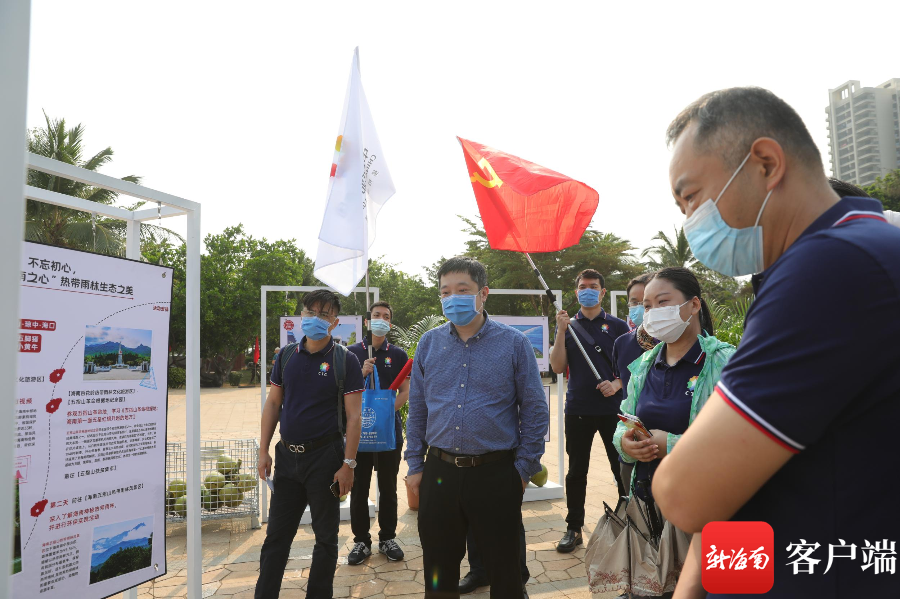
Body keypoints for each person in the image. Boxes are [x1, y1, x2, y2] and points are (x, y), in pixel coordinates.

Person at [653, 87, 900, 598]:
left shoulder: (829, 267)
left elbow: (685, 495)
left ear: (765, 163)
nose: (691, 222)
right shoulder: (867, 246)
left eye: (691, 197)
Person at [405, 256, 548, 599]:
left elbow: (534, 408)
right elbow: (418, 409)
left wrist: (523, 470)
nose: (452, 298)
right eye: (445, 292)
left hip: (496, 473)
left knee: (505, 573)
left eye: (462, 290)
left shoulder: (513, 343)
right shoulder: (429, 343)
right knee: (438, 571)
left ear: (483, 293)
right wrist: (415, 465)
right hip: (439, 472)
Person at [255, 290, 364, 599]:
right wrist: (263, 451)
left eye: (324, 313)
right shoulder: (286, 355)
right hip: (287, 458)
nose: (316, 318)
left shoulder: (345, 360)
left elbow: (354, 416)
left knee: (326, 539)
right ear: (301, 314)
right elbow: (273, 404)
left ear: (335, 322)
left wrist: (348, 464)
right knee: (276, 538)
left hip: (326, 459)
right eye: (310, 311)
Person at [612, 267, 735, 508]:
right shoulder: (644, 365)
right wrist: (626, 444)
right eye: (647, 306)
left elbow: (741, 443)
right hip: (647, 506)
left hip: (703, 507)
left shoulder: (725, 363)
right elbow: (624, 422)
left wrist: (671, 445)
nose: (653, 313)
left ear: (694, 305)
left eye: (663, 302)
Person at [549, 269, 629, 553]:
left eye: (593, 286)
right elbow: (557, 366)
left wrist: (617, 384)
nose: (588, 291)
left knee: (621, 468)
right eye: (583, 287)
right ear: (576, 292)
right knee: (576, 471)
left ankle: (630, 524)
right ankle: (573, 528)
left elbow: (635, 366)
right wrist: (561, 330)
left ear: (602, 292)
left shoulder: (618, 326)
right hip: (578, 409)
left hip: (613, 410)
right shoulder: (567, 326)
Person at [345, 301, 410, 564]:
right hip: (359, 434)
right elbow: (343, 393)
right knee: (358, 488)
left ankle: (387, 538)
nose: (380, 319)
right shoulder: (350, 354)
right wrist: (361, 373)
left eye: (385, 316)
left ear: (390, 323)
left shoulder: (399, 355)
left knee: (388, 488)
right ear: (367, 321)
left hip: (388, 432)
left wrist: (384, 411)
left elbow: (405, 391)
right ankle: (361, 541)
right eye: (376, 315)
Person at [609, 272, 657, 490]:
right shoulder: (622, 344)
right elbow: (624, 387)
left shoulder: (679, 343)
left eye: (645, 302)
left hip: (672, 446)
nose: (640, 308)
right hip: (632, 445)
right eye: (634, 302)